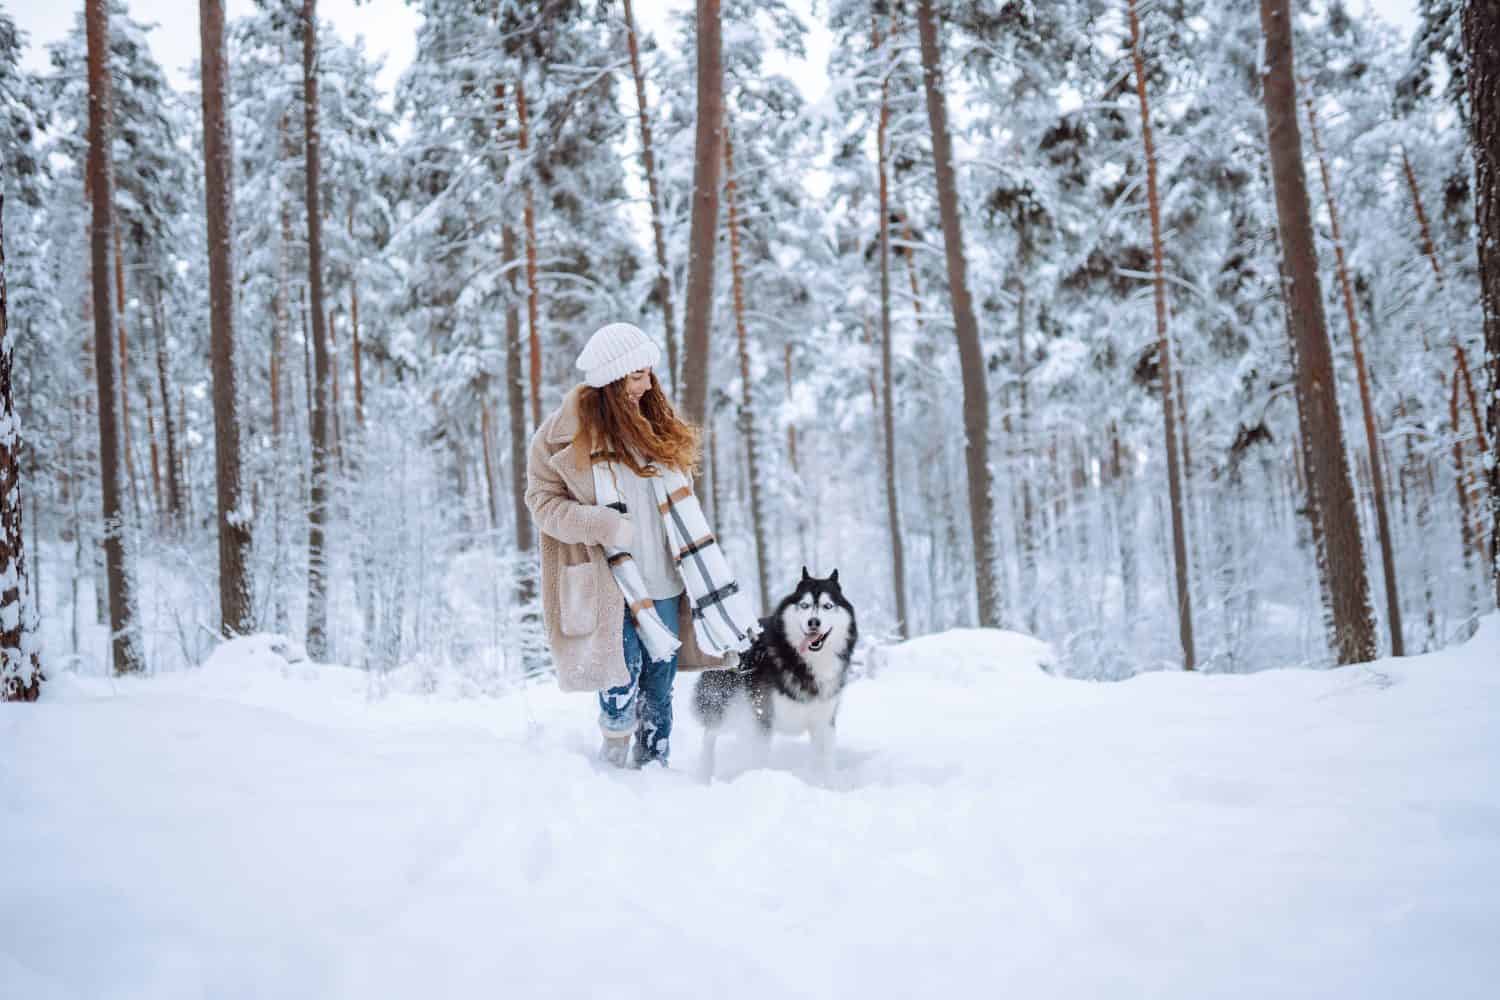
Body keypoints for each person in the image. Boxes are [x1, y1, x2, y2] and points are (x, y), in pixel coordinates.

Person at [525, 323, 756, 767]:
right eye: (636, 376)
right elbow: (541, 503)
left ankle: (655, 766)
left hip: (666, 581)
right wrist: (598, 523)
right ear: (611, 382)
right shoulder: (558, 439)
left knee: (659, 682)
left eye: (649, 373)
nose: (648, 384)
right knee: (619, 678)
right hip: (608, 583)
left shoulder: (657, 430)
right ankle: (612, 761)